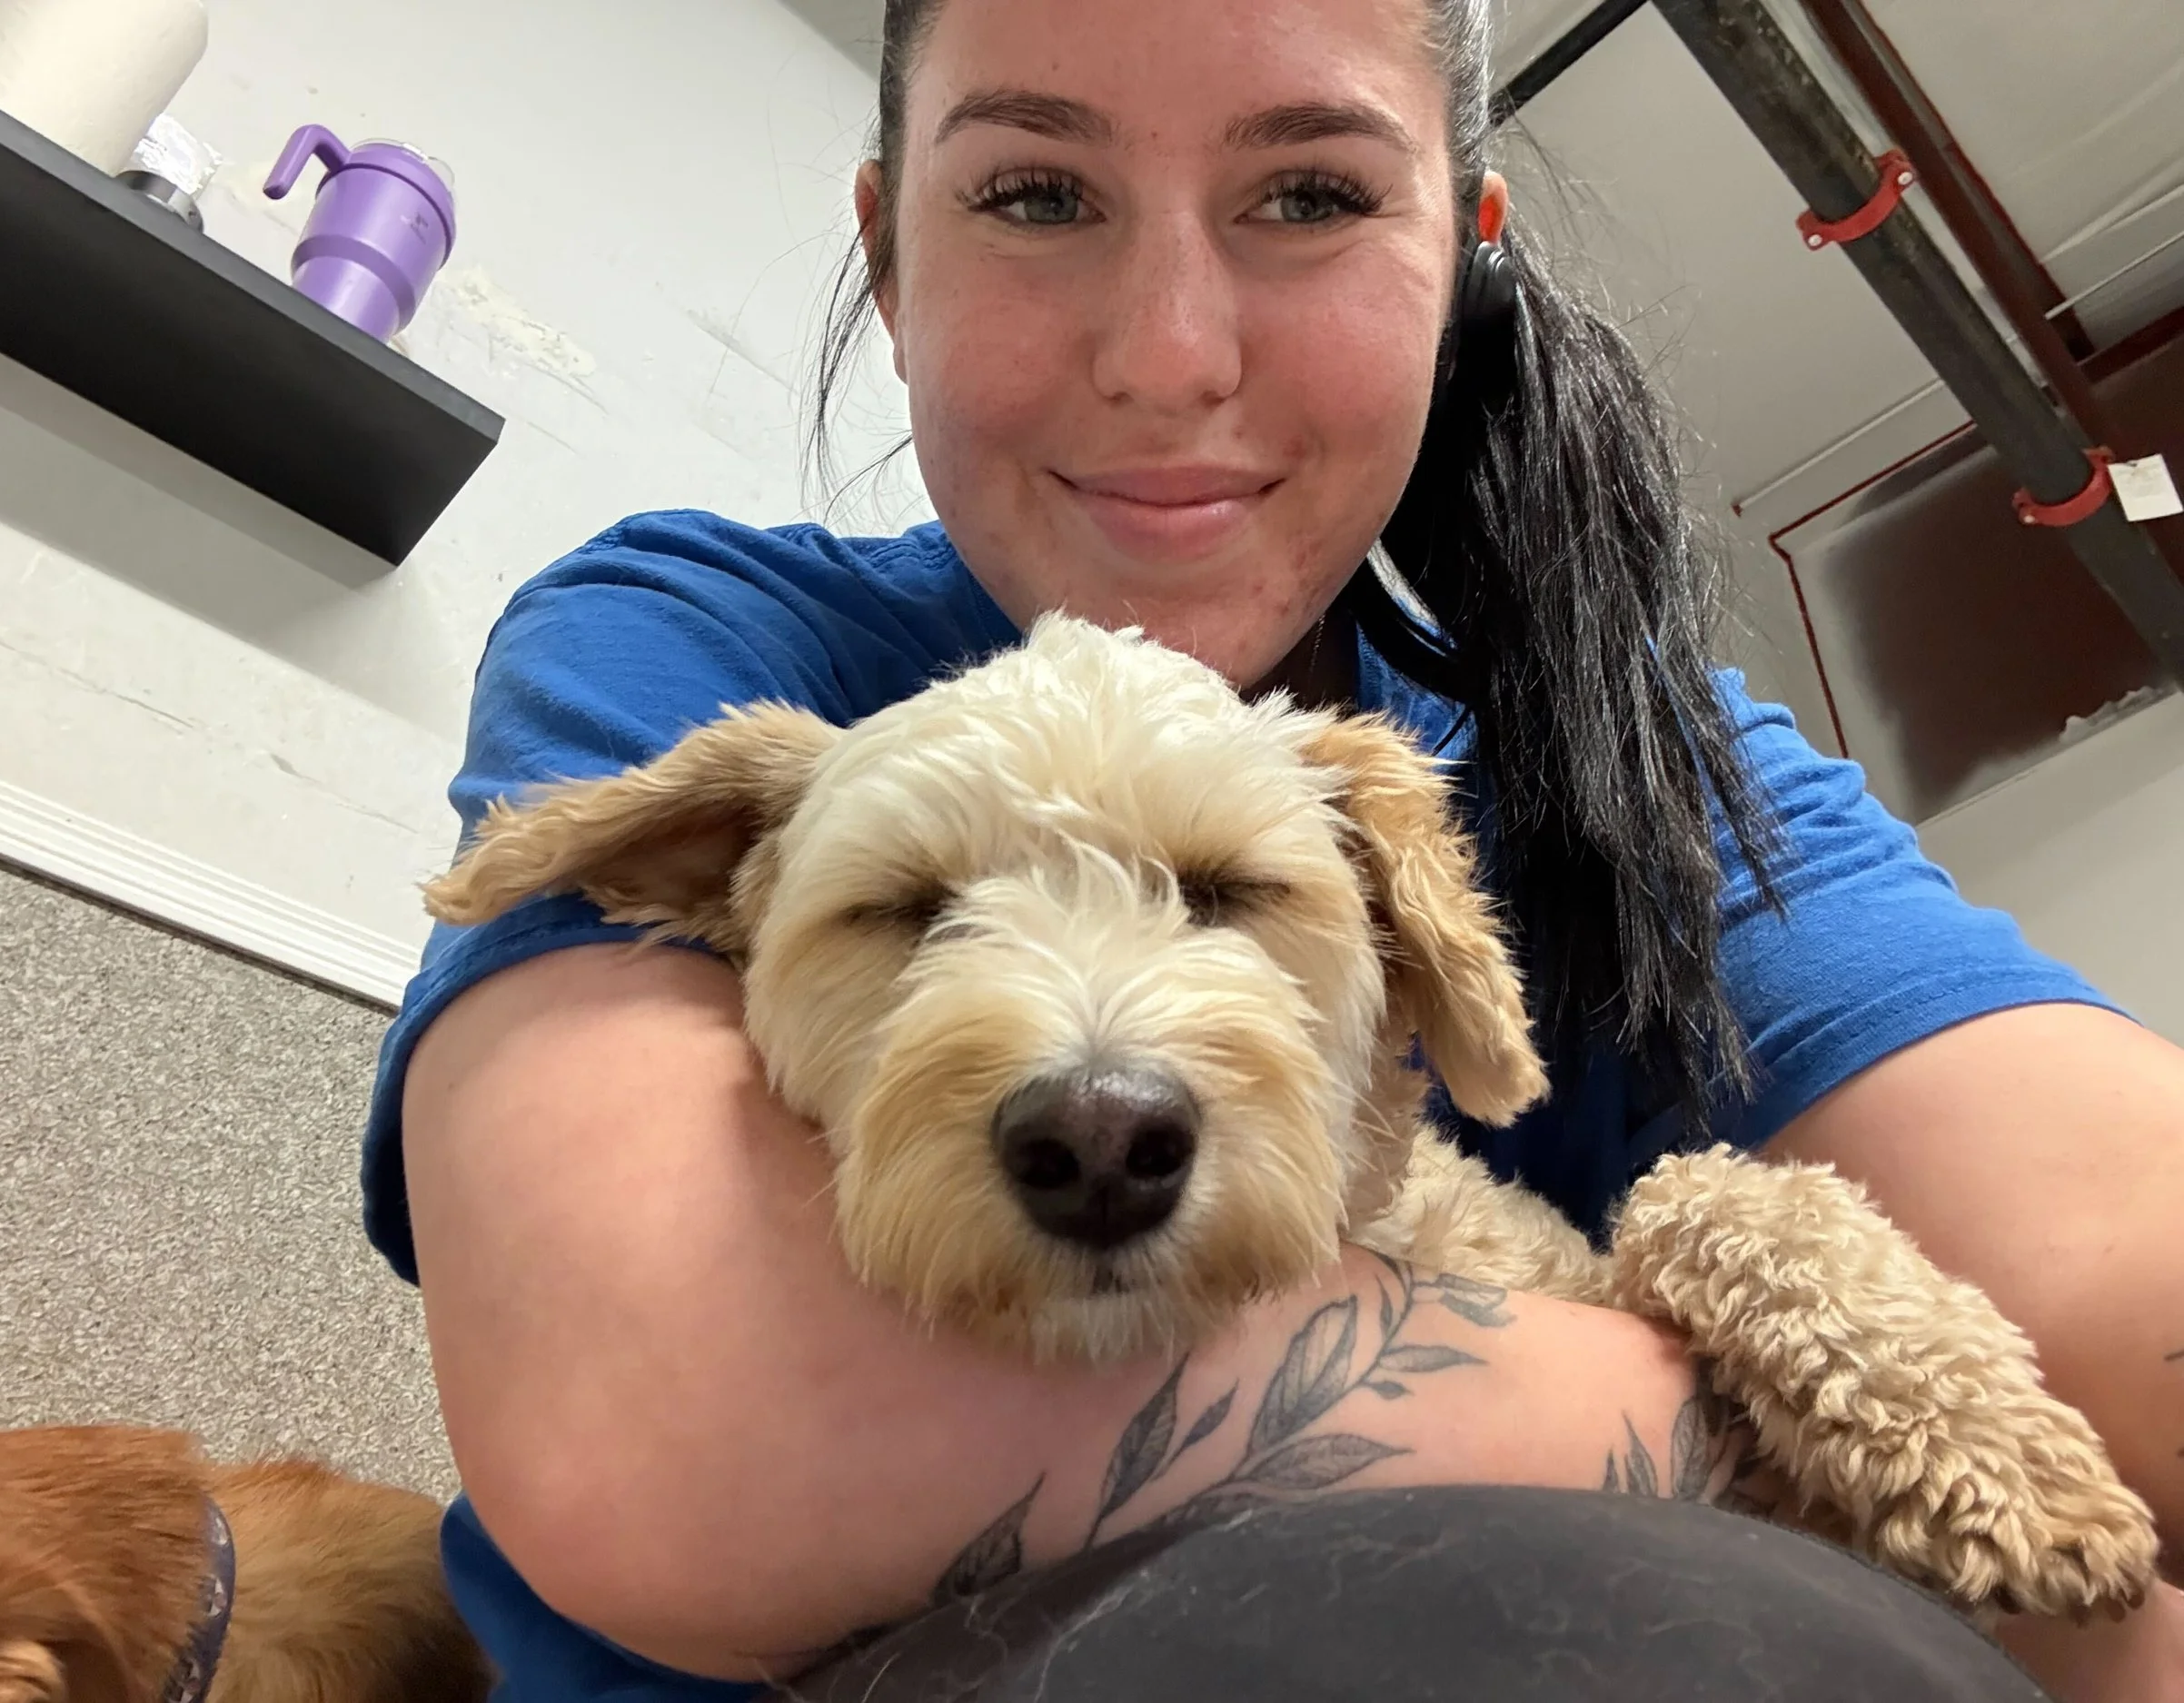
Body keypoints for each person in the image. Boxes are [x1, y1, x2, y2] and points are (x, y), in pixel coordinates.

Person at [368, 0, 2184, 1698]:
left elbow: (2117, 1246)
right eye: (1034, 192)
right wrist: (1786, 1473)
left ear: (1459, 253)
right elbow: (667, 1426)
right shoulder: (699, 646)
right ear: (887, 253)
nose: (1168, 357)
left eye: (1307, 195)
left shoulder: (1649, 767)